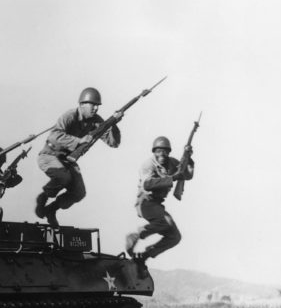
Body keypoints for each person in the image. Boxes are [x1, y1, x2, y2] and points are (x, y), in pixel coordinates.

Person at [35, 87, 122, 226]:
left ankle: (51, 209)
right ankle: (43, 197)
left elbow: (113, 143)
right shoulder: (70, 116)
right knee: (63, 177)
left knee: (79, 192)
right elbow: (55, 135)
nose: (95, 109)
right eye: (92, 104)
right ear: (82, 104)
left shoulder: (97, 121)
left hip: (67, 160)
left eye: (97, 105)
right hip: (50, 155)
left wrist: (114, 125)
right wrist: (79, 141)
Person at [125, 136, 194, 266]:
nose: (162, 154)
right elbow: (147, 184)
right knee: (166, 221)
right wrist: (172, 178)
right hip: (145, 202)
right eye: (158, 151)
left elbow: (187, 174)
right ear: (154, 152)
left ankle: (144, 256)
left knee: (175, 237)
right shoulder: (148, 165)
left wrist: (188, 158)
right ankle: (137, 235)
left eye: (165, 151)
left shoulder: (172, 163)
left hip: (157, 204)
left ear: (169, 152)